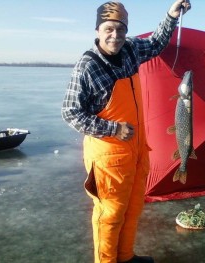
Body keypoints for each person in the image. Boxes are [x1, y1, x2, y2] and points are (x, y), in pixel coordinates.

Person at [61, 1, 191, 262]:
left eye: (120, 30)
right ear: (98, 30)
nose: (115, 36)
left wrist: (171, 15)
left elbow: (155, 43)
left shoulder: (130, 49)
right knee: (109, 215)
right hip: (108, 156)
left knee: (132, 210)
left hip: (136, 151)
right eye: (109, 29)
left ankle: (126, 257)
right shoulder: (88, 66)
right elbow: (70, 112)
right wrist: (112, 128)